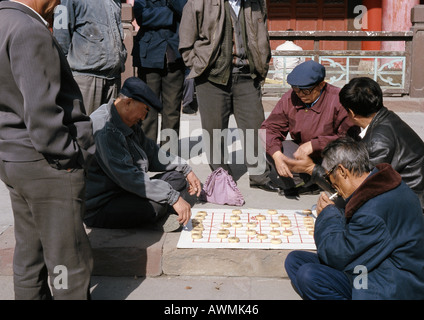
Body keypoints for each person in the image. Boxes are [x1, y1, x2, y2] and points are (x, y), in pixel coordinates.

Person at [0, 0, 95, 300]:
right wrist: (68, 157)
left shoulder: (6, 21)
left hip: (16, 158)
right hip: (47, 165)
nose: (58, 2)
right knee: (67, 266)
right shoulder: (28, 29)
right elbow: (42, 113)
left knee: (30, 257)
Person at [285, 137, 424, 300]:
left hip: (387, 283)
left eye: (329, 177)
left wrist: (327, 215)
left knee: (309, 276)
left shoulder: (373, 211)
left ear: (342, 171)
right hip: (369, 263)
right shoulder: (377, 186)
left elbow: (338, 257)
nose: (331, 184)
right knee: (295, 260)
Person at [179, 0, 280, 193]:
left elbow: (262, 35)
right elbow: (186, 41)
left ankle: (260, 175)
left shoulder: (256, 3)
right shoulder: (198, 2)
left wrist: (262, 64)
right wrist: (197, 65)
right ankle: (221, 175)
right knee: (214, 131)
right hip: (211, 77)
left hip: (246, 75)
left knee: (255, 126)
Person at [287, 77, 424, 210]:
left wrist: (311, 169)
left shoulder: (377, 142)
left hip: (412, 205)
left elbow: (357, 190)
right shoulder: (388, 118)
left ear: (351, 113)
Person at [84, 77, 202, 231]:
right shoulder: (105, 129)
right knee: (157, 204)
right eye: (145, 109)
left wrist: (186, 169)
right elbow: (130, 178)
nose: (144, 117)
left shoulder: (126, 120)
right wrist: (172, 197)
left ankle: (163, 210)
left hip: (128, 191)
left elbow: (152, 153)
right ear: (128, 102)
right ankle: (159, 214)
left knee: (177, 178)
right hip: (104, 204)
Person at [261, 60, 358, 196]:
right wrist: (276, 156)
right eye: (296, 90)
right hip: (302, 152)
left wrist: (315, 144)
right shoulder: (291, 97)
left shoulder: (338, 99)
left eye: (306, 91)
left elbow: (349, 139)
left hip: (331, 154)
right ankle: (308, 183)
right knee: (269, 146)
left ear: (321, 85)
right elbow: (269, 128)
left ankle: (330, 183)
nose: (300, 95)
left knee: (344, 159)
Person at [54, 0, 127, 115]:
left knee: (110, 128)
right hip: (86, 79)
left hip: (113, 77)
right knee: (86, 127)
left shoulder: (114, 2)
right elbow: (61, 39)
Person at [132, 0, 187, 144]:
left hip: (174, 55)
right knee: (146, 109)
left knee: (172, 111)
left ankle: (168, 154)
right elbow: (142, 16)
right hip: (149, 56)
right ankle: (147, 151)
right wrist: (170, 13)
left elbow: (186, 11)